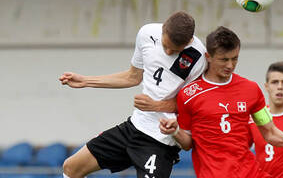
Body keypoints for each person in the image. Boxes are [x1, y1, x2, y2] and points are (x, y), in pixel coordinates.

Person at [58, 11, 207, 178]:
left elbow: (190, 104)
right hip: (134, 127)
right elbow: (133, 77)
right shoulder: (147, 33)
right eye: (165, 45)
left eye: (174, 50)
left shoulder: (199, 58)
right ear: (163, 29)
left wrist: (156, 105)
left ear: (188, 42)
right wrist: (86, 81)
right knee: (71, 167)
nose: (167, 52)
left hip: (161, 141)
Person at [159, 26, 283, 178]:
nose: (230, 65)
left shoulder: (251, 89)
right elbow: (187, 144)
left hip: (250, 173)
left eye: (235, 58)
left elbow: (269, 131)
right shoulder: (188, 94)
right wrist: (175, 131)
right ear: (208, 57)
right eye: (224, 59)